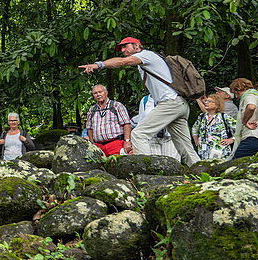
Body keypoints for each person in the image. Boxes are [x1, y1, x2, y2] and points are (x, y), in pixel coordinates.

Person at [78, 37, 199, 166]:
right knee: (185, 145)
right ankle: (202, 171)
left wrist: (98, 65)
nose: (123, 50)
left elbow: (123, 62)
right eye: (121, 48)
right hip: (178, 104)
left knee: (138, 135)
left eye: (126, 46)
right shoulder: (146, 61)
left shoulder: (146, 55)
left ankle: (148, 172)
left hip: (170, 103)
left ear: (136, 45)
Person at [228, 78, 258, 159]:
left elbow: (251, 107)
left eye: (234, 93)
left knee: (235, 162)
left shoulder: (249, 96)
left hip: (254, 136)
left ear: (238, 89)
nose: (235, 97)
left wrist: (245, 122)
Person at [83, 84, 133, 156]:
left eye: (100, 92)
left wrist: (127, 141)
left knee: (118, 165)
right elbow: (89, 128)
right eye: (95, 93)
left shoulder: (116, 106)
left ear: (106, 93)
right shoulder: (92, 110)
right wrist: (92, 143)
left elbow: (126, 124)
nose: (98, 94)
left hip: (116, 143)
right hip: (99, 146)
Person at [132, 94, 179, 160]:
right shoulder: (145, 100)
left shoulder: (173, 97)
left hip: (170, 137)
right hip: (152, 138)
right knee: (154, 166)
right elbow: (141, 122)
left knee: (173, 166)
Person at [191, 94, 235, 161]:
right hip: (203, 153)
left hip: (221, 152)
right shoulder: (202, 116)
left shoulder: (224, 117)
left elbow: (239, 128)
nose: (206, 103)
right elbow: (194, 128)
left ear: (217, 104)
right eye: (206, 101)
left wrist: (232, 139)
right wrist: (196, 141)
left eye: (209, 101)